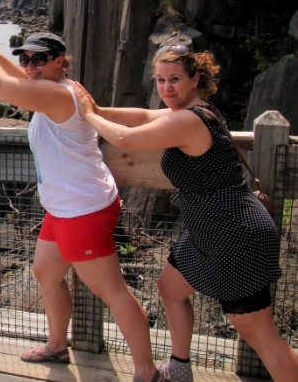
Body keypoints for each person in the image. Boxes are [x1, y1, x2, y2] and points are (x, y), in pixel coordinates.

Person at [72, 44, 298, 382]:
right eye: (161, 80)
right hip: (208, 231)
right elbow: (145, 116)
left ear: (195, 78)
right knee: (171, 287)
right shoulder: (194, 111)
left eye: (175, 79)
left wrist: (88, 115)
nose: (167, 88)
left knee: (259, 333)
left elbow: (127, 139)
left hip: (235, 235)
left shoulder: (190, 121)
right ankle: (179, 368)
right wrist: (100, 107)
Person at [0, 20, 162, 382]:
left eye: (40, 59)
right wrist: (2, 54)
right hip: (63, 207)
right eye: (26, 59)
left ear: (61, 61)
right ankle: (57, 346)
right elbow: (24, 80)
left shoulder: (60, 95)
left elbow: (1, 86)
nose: (31, 67)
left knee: (113, 292)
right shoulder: (55, 87)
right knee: (46, 274)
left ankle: (147, 372)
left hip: (83, 210)